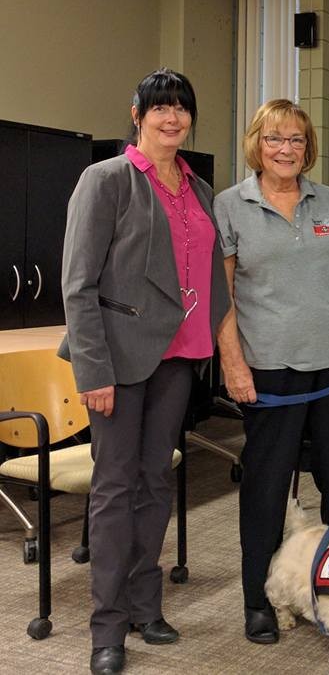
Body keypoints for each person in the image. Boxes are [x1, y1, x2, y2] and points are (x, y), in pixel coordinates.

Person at [59, 68, 230, 675]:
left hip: (179, 357)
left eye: (181, 107)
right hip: (118, 361)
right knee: (113, 491)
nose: (171, 117)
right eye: (159, 107)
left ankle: (143, 605)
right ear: (137, 113)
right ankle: (106, 630)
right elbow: (77, 286)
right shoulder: (106, 180)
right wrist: (92, 370)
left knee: (157, 484)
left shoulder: (200, 188)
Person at [214, 99, 329, 643]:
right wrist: (233, 364)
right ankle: (258, 599)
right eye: (274, 139)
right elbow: (224, 295)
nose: (286, 149)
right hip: (269, 373)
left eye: (296, 140)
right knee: (265, 490)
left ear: (308, 148)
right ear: (257, 145)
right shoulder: (231, 206)